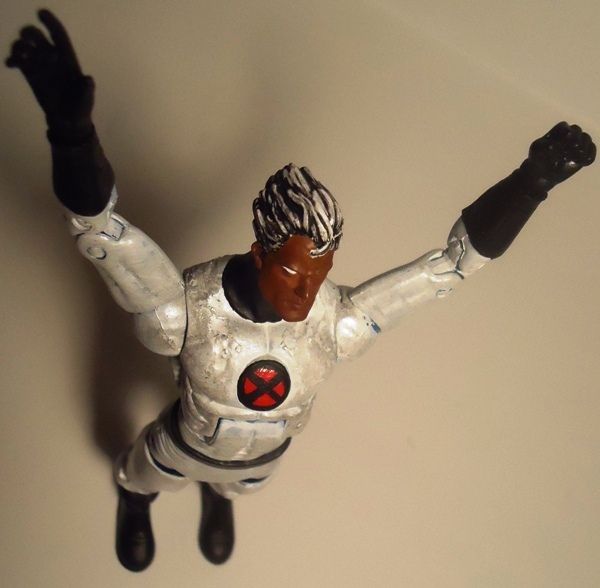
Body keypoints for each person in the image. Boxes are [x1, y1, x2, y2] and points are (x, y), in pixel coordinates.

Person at [6, 9, 595, 573]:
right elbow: (103, 233)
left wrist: (529, 185)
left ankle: (220, 497)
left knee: (242, 486)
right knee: (144, 474)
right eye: (293, 272)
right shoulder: (186, 310)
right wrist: (73, 137)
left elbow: (451, 267)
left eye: (319, 272)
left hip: (265, 456)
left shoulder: (337, 322)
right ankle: (136, 501)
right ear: (260, 253)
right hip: (184, 443)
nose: (307, 291)